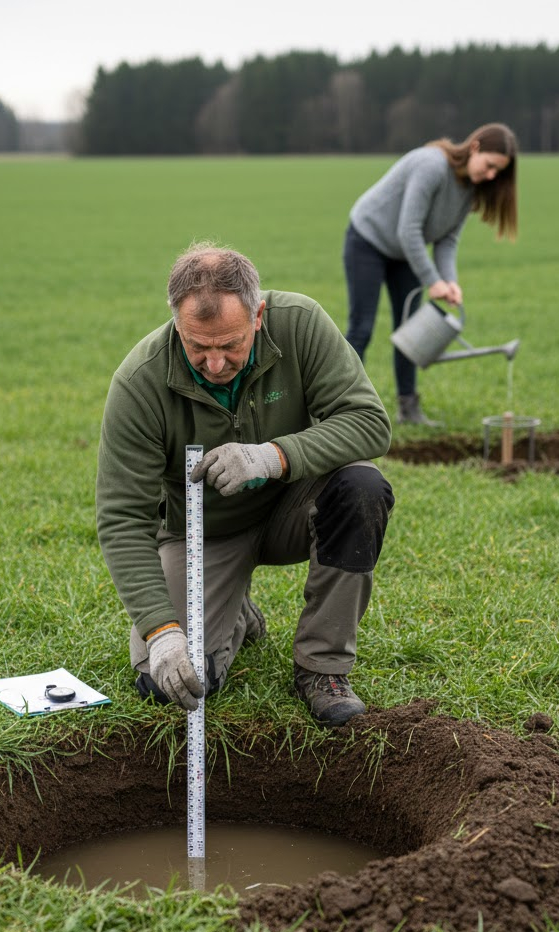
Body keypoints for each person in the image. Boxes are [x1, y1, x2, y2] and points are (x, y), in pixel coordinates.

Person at [96, 243, 395, 727]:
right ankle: (234, 614)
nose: (214, 365)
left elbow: (369, 423)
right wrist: (163, 631)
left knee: (362, 486)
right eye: (198, 347)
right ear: (175, 321)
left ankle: (322, 669)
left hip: (290, 508)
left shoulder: (299, 324)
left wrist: (272, 457)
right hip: (200, 534)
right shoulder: (140, 382)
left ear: (258, 315)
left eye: (230, 345)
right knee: (166, 684)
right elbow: (121, 519)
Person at [343, 122, 519, 425]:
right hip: (368, 240)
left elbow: (447, 241)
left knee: (410, 330)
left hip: (404, 253)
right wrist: (432, 280)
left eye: (497, 172)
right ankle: (340, 409)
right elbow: (408, 230)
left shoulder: (469, 191)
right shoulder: (431, 166)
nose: (491, 175)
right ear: (475, 147)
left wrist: (449, 282)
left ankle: (408, 409)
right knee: (362, 327)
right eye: (490, 165)